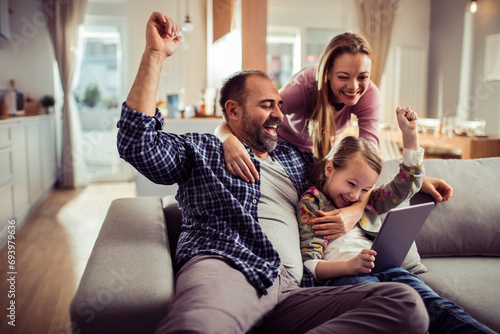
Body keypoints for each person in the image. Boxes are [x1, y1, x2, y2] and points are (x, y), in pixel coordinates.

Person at [117, 12, 430, 334]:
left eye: (280, 105)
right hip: (232, 267)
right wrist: (154, 56)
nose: (280, 115)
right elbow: (137, 145)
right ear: (233, 111)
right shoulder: (202, 149)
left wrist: (417, 176)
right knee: (199, 328)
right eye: (268, 105)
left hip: (295, 289)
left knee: (404, 304)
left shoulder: (297, 160)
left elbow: (352, 172)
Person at [215, 32, 452, 241]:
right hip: (285, 147)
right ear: (327, 73)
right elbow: (259, 118)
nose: (354, 86)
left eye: (363, 76)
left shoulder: (369, 94)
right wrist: (226, 138)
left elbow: (368, 160)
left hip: (321, 154)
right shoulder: (303, 87)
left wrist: (356, 210)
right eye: (343, 76)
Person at [297, 107, 495, 334]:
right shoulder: (312, 203)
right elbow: (311, 266)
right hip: (346, 278)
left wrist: (410, 137)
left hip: (387, 269)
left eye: (365, 189)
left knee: (440, 308)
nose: (354, 195)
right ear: (330, 169)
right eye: (351, 184)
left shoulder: (368, 202)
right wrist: (351, 266)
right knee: (398, 316)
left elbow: (405, 186)